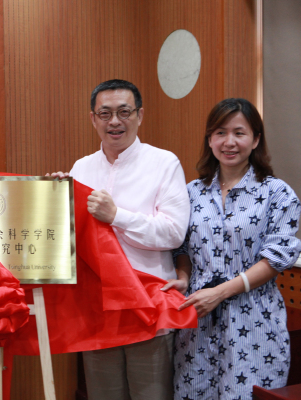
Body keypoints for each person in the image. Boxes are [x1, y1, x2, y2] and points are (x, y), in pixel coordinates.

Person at [49, 79, 190, 400]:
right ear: (93, 119)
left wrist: (117, 216)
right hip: (97, 310)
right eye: (105, 113)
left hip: (149, 308)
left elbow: (173, 233)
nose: (114, 121)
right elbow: (70, 240)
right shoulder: (81, 168)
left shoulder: (164, 162)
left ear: (140, 115)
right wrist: (56, 200)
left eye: (124, 112)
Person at [164, 98, 301, 399]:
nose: (229, 142)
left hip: (254, 319)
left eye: (239, 133)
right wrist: (184, 277)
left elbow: (276, 258)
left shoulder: (278, 193)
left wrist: (220, 292)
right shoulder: (191, 192)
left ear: (256, 139)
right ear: (209, 139)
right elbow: (181, 248)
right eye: (220, 133)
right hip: (197, 318)